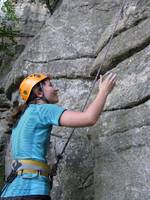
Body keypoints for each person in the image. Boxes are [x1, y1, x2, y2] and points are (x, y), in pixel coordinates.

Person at [0, 72, 116, 200]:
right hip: (30, 190)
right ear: (39, 93)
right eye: (50, 85)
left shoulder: (23, 116)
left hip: (11, 191)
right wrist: (104, 91)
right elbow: (89, 118)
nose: (56, 88)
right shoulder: (43, 109)